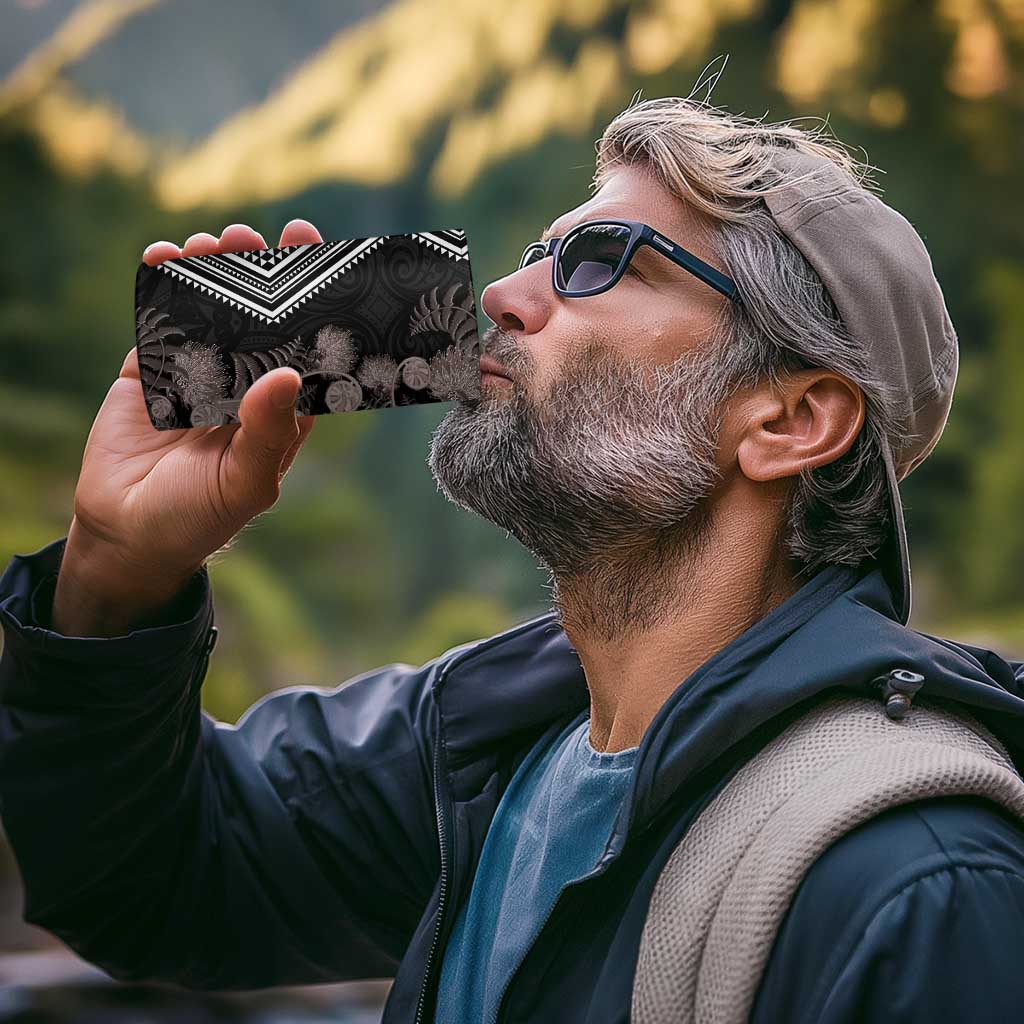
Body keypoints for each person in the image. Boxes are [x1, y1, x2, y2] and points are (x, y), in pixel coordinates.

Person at [2, 94, 1024, 1024]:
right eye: (539, 252)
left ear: (790, 419)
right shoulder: (481, 748)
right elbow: (148, 879)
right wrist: (116, 570)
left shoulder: (918, 885)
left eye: (599, 262)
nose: (501, 292)